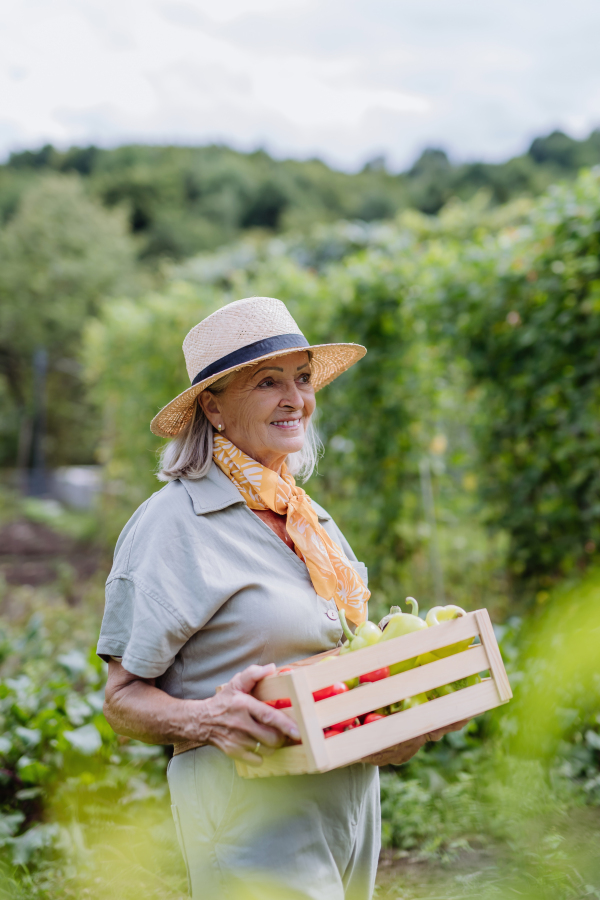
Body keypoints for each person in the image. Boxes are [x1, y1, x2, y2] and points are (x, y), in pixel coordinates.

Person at [98, 296, 467, 900]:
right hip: (250, 813)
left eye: (301, 379)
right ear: (212, 407)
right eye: (268, 382)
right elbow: (121, 700)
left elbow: (340, 670)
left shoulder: (307, 517)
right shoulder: (173, 525)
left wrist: (405, 712)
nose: (295, 398)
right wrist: (208, 717)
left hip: (349, 803)